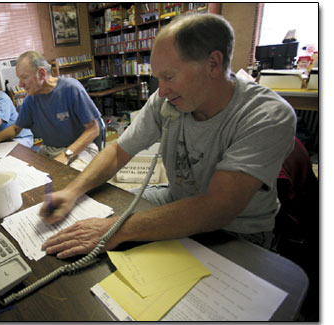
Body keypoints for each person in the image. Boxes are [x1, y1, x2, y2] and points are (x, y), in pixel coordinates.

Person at [39, 13, 297, 259]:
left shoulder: (267, 114)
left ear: (213, 64)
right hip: (178, 198)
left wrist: (117, 229)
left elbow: (217, 208)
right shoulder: (167, 102)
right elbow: (119, 151)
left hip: (238, 229)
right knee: (105, 215)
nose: (161, 92)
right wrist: (72, 191)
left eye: (169, 77)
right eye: (158, 78)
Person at [0, 51, 104, 170]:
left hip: (81, 148)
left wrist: (66, 155)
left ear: (42, 73)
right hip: (50, 149)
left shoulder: (71, 88)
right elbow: (16, 128)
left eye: (24, 77)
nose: (20, 84)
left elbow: (94, 129)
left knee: (68, 181)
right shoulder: (31, 98)